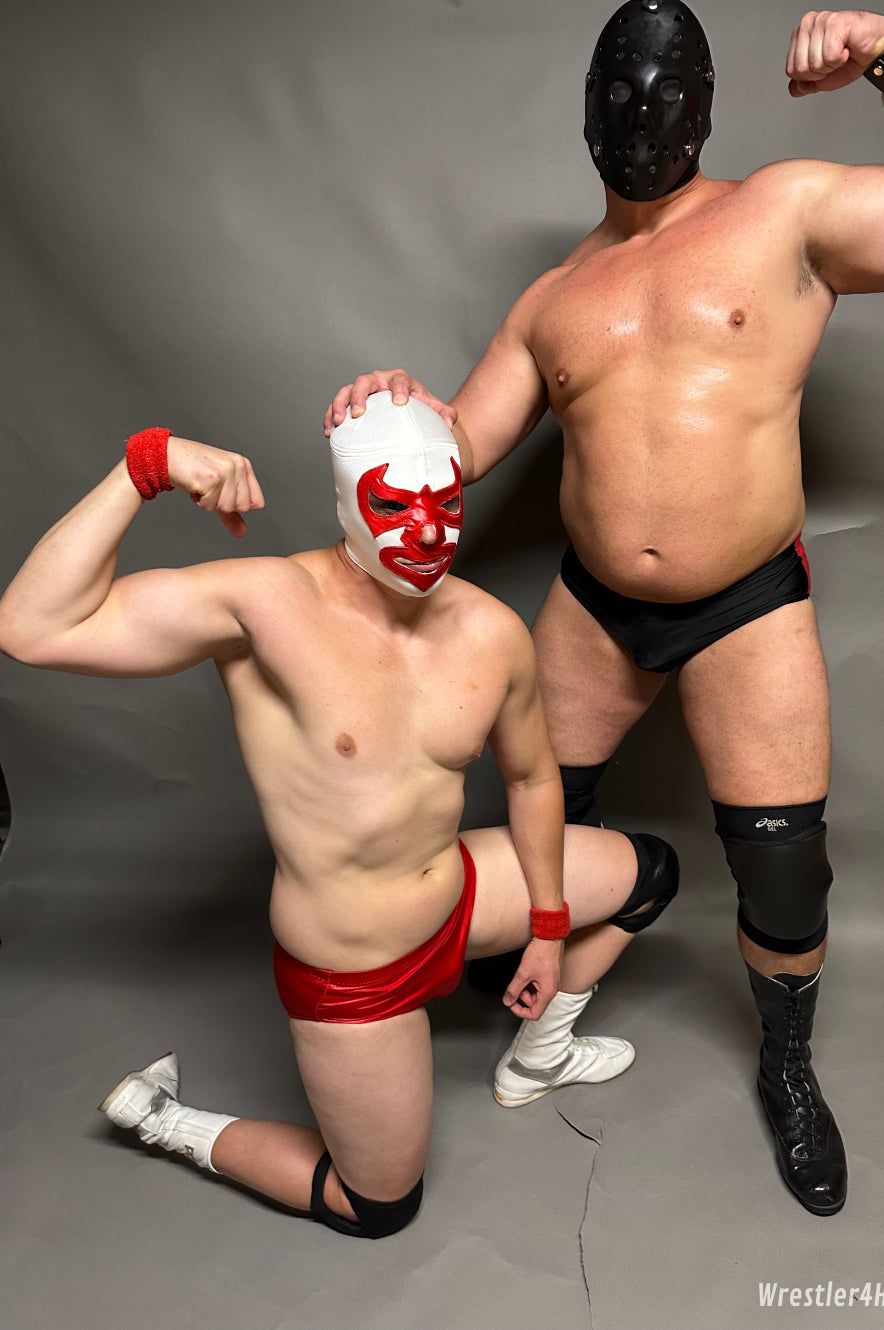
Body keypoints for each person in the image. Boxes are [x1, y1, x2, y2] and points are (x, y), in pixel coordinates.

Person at [326, 5, 884, 1217]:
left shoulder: (784, 211)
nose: (641, 118)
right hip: (592, 610)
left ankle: (785, 1068)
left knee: (783, 872)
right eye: (620, 98)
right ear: (588, 114)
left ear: (702, 107)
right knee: (536, 809)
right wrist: (394, 406)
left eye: (662, 95)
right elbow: (459, 447)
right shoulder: (553, 296)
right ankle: (527, 974)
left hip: (744, 604)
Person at [0, 394, 680, 1238]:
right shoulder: (264, 602)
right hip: (355, 968)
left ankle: (539, 1058)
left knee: (651, 872)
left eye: (445, 503)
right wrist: (145, 465)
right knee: (376, 1206)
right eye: (393, 505)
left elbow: (534, 777)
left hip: (460, 893)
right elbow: (29, 629)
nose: (426, 532)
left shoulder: (490, 629)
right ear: (344, 501)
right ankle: (163, 1119)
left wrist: (546, 927)